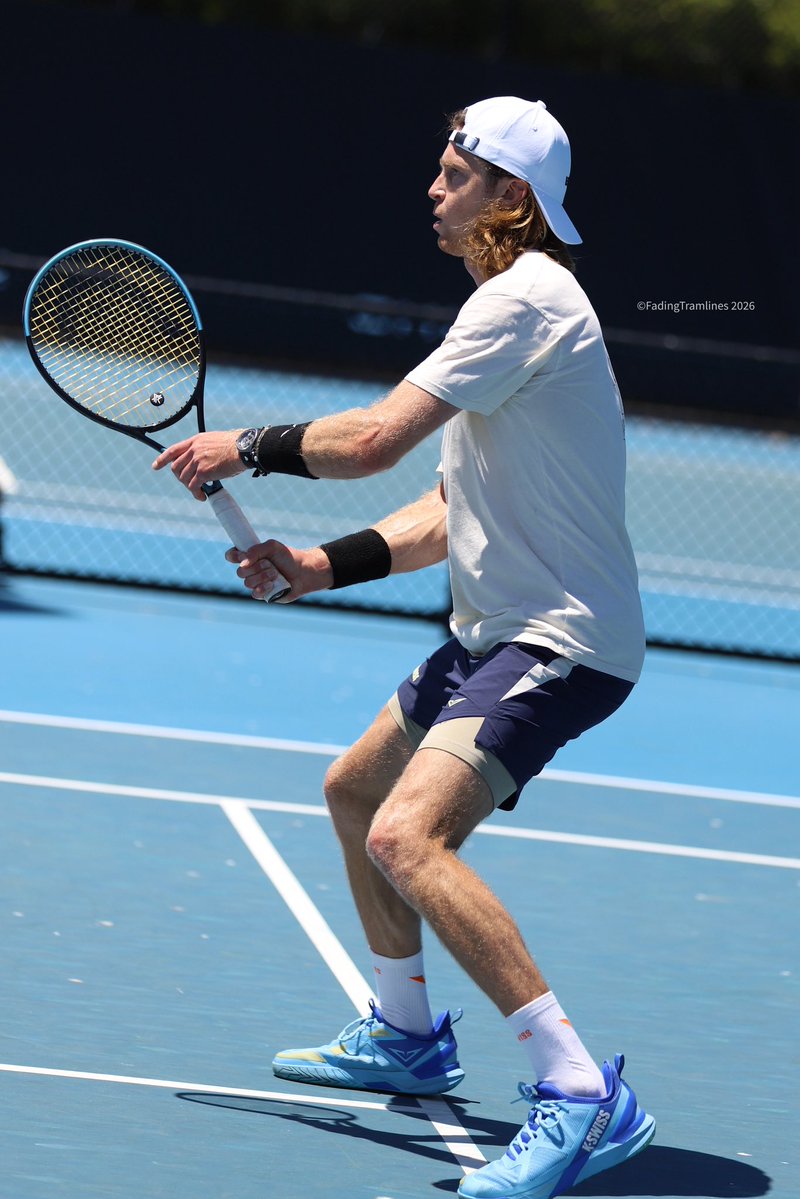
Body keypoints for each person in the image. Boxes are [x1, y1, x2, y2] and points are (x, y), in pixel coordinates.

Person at [154, 95, 655, 1199]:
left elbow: (373, 439)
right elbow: (443, 507)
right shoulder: (505, 308)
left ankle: (580, 1093)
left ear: (507, 197)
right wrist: (319, 564)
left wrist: (244, 444)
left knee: (405, 833)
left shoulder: (525, 299)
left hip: (558, 639)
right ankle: (407, 1031)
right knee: (352, 790)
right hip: (493, 630)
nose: (431, 191)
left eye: (451, 175)